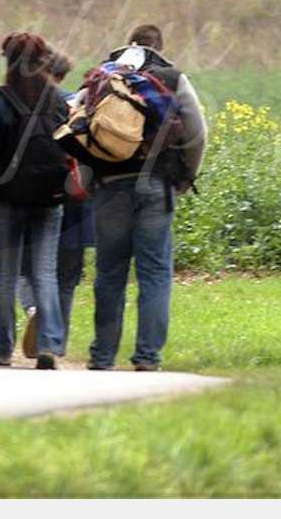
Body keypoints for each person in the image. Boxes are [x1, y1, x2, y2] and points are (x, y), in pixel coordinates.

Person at [84, 24, 206, 372]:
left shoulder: (104, 77)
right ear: (161, 48)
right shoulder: (172, 77)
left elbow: (81, 128)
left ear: (128, 43)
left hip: (109, 186)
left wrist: (90, 180)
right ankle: (147, 358)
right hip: (155, 186)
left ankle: (102, 356)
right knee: (154, 272)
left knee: (109, 273)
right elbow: (198, 133)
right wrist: (184, 178)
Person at [0, 32, 71, 369]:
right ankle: (48, 346)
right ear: (43, 60)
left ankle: (2, 347)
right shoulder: (57, 99)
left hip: (8, 196)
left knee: (7, 274)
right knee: (45, 272)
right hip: (49, 196)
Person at [15, 50, 95, 359]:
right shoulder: (74, 102)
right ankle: (55, 341)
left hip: (33, 196)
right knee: (67, 276)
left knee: (27, 269)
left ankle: (34, 309)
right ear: (63, 74)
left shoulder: (23, 100)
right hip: (75, 199)